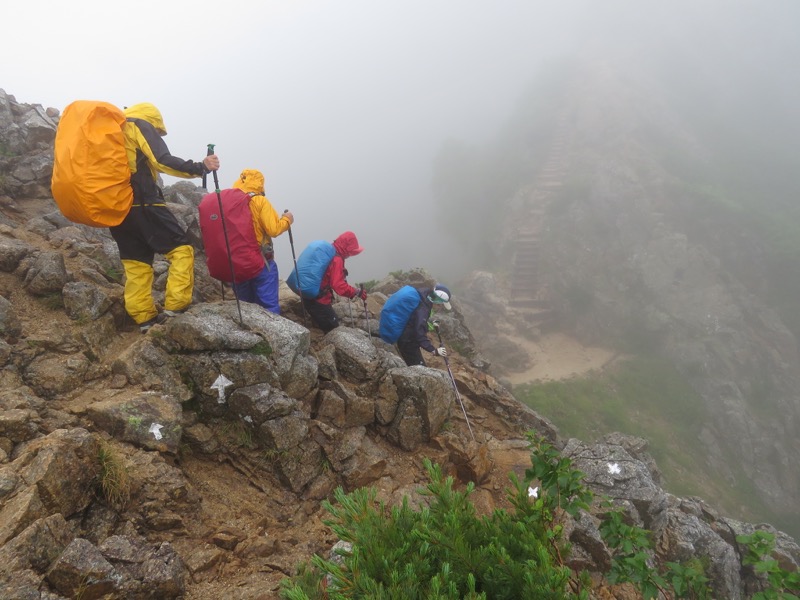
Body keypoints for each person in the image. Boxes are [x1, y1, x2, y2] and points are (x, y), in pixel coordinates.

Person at [110, 102, 219, 332]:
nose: (158, 134)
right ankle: (175, 307)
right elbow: (161, 159)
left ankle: (144, 319)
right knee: (182, 249)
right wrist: (201, 167)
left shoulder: (110, 131)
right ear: (154, 120)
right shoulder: (138, 124)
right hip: (145, 203)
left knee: (136, 263)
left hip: (117, 209)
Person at [208, 169, 293, 314]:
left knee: (245, 305)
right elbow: (273, 229)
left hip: (235, 263)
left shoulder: (226, 203)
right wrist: (287, 220)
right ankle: (273, 334)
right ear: (260, 182)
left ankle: (248, 333)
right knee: (268, 305)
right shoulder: (259, 200)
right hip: (260, 261)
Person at [302, 231, 367, 333]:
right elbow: (338, 285)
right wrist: (356, 292)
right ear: (347, 248)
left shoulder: (329, 250)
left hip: (307, 295)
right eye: (350, 252)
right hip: (319, 300)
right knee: (334, 330)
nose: (349, 255)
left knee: (326, 323)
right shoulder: (337, 259)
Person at [396, 284, 452, 366]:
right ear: (437, 301)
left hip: (405, 335)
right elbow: (419, 333)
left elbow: (416, 320)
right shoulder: (423, 309)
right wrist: (433, 350)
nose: (440, 307)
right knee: (420, 368)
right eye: (440, 305)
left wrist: (431, 325)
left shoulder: (424, 296)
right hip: (407, 341)